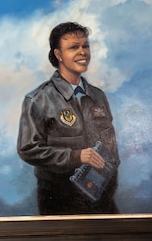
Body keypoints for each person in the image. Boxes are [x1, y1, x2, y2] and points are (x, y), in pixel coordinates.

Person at [17, 22, 120, 215]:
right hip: (61, 204)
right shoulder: (38, 100)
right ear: (58, 55)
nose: (83, 52)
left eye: (85, 46)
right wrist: (76, 156)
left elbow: (112, 149)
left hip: (102, 201)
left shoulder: (98, 96)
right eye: (74, 47)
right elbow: (28, 149)